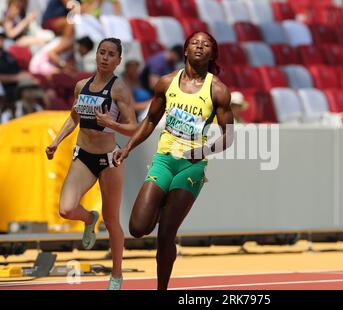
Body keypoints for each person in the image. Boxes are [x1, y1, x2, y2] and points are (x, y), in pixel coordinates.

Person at [113, 31, 234, 290]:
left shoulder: (219, 91)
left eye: (206, 45)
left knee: (166, 234)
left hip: (191, 166)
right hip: (164, 161)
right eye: (195, 43)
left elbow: (229, 137)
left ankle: (162, 288)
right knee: (137, 227)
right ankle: (163, 205)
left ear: (212, 53)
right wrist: (128, 148)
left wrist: (203, 152)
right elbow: (150, 121)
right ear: (185, 50)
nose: (200, 47)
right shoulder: (166, 83)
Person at [45, 38, 138, 290]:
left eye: (111, 55)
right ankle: (88, 219)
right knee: (65, 209)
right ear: (95, 56)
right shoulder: (81, 86)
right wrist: (56, 142)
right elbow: (73, 118)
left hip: (109, 160)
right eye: (102, 53)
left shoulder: (119, 90)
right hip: (83, 156)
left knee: (111, 222)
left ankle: (116, 275)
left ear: (118, 61)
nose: (105, 58)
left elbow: (134, 128)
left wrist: (112, 124)